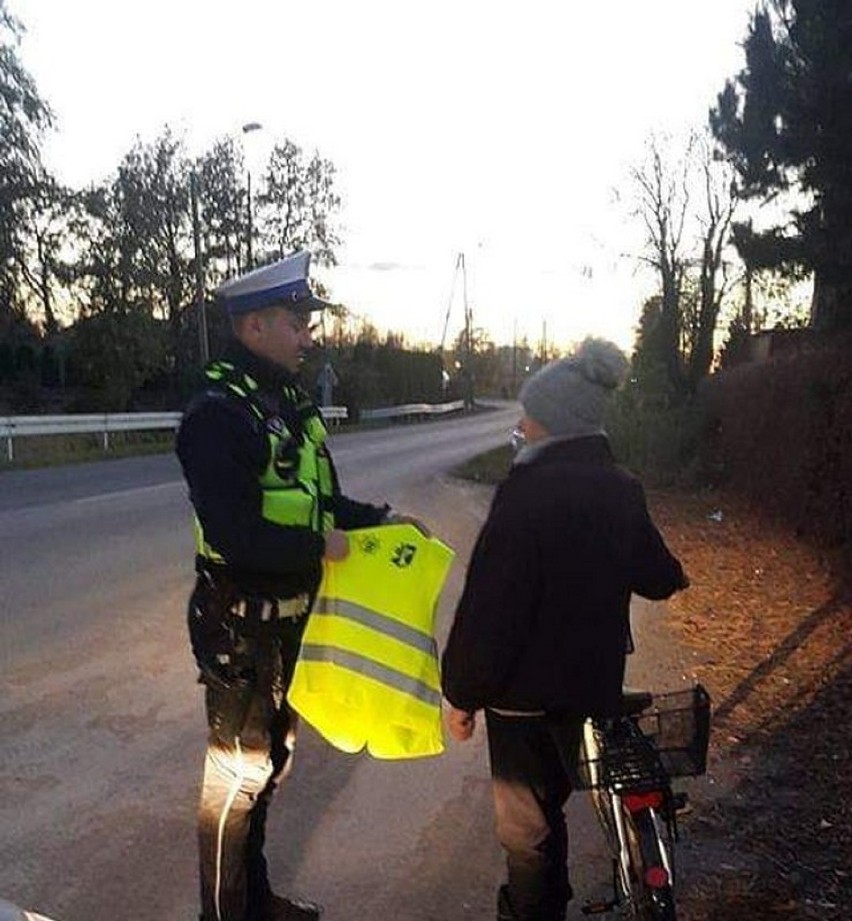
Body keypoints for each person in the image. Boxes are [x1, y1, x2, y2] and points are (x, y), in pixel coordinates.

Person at [176, 251, 419, 921]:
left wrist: (382, 522)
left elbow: (321, 502)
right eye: (296, 321)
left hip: (288, 625)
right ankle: (223, 913)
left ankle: (255, 898)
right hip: (238, 625)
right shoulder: (217, 415)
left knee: (269, 764)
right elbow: (233, 532)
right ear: (253, 326)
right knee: (234, 778)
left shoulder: (289, 404)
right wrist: (321, 547)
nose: (308, 336)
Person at [440, 338, 688, 921]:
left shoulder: (524, 495)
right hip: (593, 689)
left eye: (529, 415)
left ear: (551, 424)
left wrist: (462, 694)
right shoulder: (621, 489)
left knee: (531, 838)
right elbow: (656, 576)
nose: (521, 424)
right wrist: (676, 576)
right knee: (582, 786)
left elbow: (488, 613)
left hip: (522, 705)